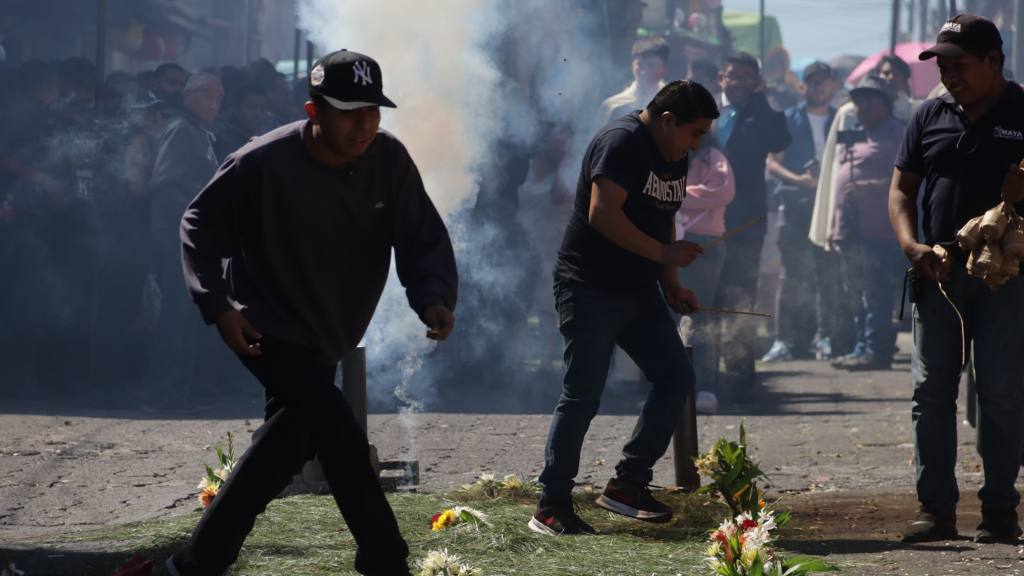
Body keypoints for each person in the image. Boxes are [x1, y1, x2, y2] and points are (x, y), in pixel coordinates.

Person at [166, 49, 457, 576]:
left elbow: (420, 235)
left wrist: (432, 295)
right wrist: (218, 305)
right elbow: (197, 224)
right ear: (314, 111)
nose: (364, 124)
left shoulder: (389, 160)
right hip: (264, 326)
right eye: (349, 112)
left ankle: (194, 564)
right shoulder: (262, 162)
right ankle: (386, 558)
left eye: (372, 111)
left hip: (329, 331)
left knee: (285, 447)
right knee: (339, 432)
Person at [531, 80, 718, 535]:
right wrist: (662, 257)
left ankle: (627, 484)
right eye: (695, 133)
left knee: (675, 376)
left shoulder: (674, 154)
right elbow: (602, 214)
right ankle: (551, 504)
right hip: (589, 286)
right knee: (583, 394)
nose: (697, 144)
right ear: (668, 120)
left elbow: (664, 214)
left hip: (638, 290)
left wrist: (671, 282)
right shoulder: (621, 143)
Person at [890, 15, 1024, 544]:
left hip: (1007, 278)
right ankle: (935, 509)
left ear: (994, 61)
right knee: (931, 392)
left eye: (959, 65)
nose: (949, 75)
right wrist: (910, 245)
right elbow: (901, 190)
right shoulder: (929, 115)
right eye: (942, 66)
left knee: (1001, 391)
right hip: (938, 272)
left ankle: (999, 511)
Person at [714, 53, 790, 390]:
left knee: (740, 292)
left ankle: (739, 374)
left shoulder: (761, 114)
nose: (739, 83)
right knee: (709, 293)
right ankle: (704, 370)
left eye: (748, 78)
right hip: (705, 218)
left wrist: (763, 99)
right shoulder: (709, 112)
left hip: (745, 219)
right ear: (722, 78)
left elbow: (780, 139)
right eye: (734, 76)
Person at [148, 71, 224, 403]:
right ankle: (165, 393)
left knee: (186, 316)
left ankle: (179, 389)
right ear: (188, 97)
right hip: (179, 240)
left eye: (218, 98)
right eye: (206, 96)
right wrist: (197, 216)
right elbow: (164, 182)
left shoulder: (198, 133)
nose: (213, 104)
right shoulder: (181, 131)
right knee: (176, 318)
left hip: (194, 240)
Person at [829, 75, 906, 371]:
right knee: (857, 291)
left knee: (875, 291)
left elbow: (907, 174)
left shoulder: (897, 133)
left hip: (880, 230)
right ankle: (862, 346)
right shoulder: (857, 133)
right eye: (857, 101)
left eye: (867, 101)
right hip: (851, 227)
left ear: (882, 104)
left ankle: (876, 349)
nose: (859, 107)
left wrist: (871, 186)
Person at [763, 62, 838, 363]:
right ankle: (785, 340)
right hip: (794, 204)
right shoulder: (787, 119)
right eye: (813, 82)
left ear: (831, 86)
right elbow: (772, 162)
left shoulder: (841, 119)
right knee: (791, 275)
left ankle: (827, 337)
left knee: (829, 273)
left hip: (832, 206)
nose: (819, 87)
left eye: (824, 82)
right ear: (803, 87)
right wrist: (801, 180)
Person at [676, 135, 735, 414]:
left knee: (700, 315)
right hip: (667, 241)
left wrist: (676, 195)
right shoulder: (665, 154)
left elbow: (722, 191)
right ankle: (669, 386)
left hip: (704, 242)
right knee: (666, 316)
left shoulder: (713, 157)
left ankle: (705, 387)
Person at [601, 36, 670, 123]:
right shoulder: (614, 106)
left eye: (651, 65)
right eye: (640, 64)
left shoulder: (673, 104)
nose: (644, 72)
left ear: (664, 68)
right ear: (633, 66)